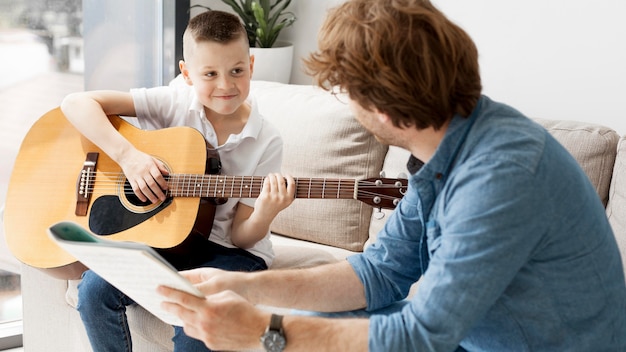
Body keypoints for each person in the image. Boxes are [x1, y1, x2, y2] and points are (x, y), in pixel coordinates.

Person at [158, 0, 626, 351]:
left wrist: (266, 331)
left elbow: (425, 334)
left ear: (383, 109)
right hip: (482, 334)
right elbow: (379, 272)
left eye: (347, 92)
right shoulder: (451, 143)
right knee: (309, 316)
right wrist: (241, 286)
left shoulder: (501, 177)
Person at [60, 10, 295, 352]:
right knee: (93, 291)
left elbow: (242, 235)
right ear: (186, 74)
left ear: (251, 65)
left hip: (231, 253)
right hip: (168, 240)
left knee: (197, 323)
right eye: (210, 74)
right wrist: (130, 157)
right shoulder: (174, 102)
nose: (225, 85)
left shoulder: (267, 140)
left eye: (237, 71)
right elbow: (75, 104)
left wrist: (266, 212)